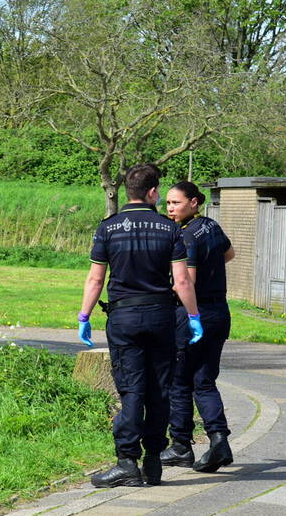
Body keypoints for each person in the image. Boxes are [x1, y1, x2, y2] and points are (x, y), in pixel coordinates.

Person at [77, 164, 202, 488]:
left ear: (128, 192)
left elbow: (95, 278)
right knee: (159, 390)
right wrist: (193, 317)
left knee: (132, 389)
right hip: (161, 318)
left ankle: (126, 463)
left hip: (124, 319)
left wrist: (84, 316)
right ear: (151, 192)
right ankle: (153, 464)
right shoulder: (170, 229)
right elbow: (182, 282)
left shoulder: (108, 228)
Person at [161, 181, 235, 473]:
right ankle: (220, 442)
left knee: (179, 381)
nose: (169, 208)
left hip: (195, 313)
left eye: (175, 203)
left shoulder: (186, 237)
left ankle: (180, 446)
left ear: (194, 202)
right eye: (167, 203)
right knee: (203, 380)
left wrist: (190, 315)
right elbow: (229, 254)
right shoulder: (211, 226)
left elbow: (186, 283)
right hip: (219, 311)